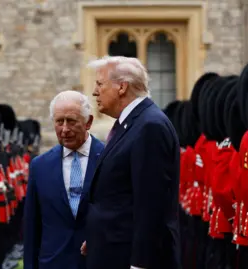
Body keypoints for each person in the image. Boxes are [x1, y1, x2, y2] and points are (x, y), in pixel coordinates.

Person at [83, 56, 181, 269]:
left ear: (122, 87)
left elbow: (151, 206)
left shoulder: (149, 127)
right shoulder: (130, 124)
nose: (94, 92)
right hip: (113, 250)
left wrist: (141, 264)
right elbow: (118, 196)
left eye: (100, 84)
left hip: (131, 259)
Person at [24, 90, 104, 269]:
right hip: (53, 262)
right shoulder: (40, 166)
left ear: (88, 122)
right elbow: (32, 226)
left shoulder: (108, 158)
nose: (65, 129)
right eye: (59, 122)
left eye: (72, 121)